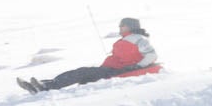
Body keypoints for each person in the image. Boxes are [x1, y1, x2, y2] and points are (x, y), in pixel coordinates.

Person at [18, 17, 160, 93]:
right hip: (111, 69)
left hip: (118, 71)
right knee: (83, 74)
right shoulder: (127, 39)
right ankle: (43, 85)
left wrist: (135, 66)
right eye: (120, 25)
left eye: (123, 26)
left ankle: (45, 86)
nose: (120, 28)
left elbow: (152, 55)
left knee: (82, 72)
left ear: (131, 27)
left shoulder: (138, 38)